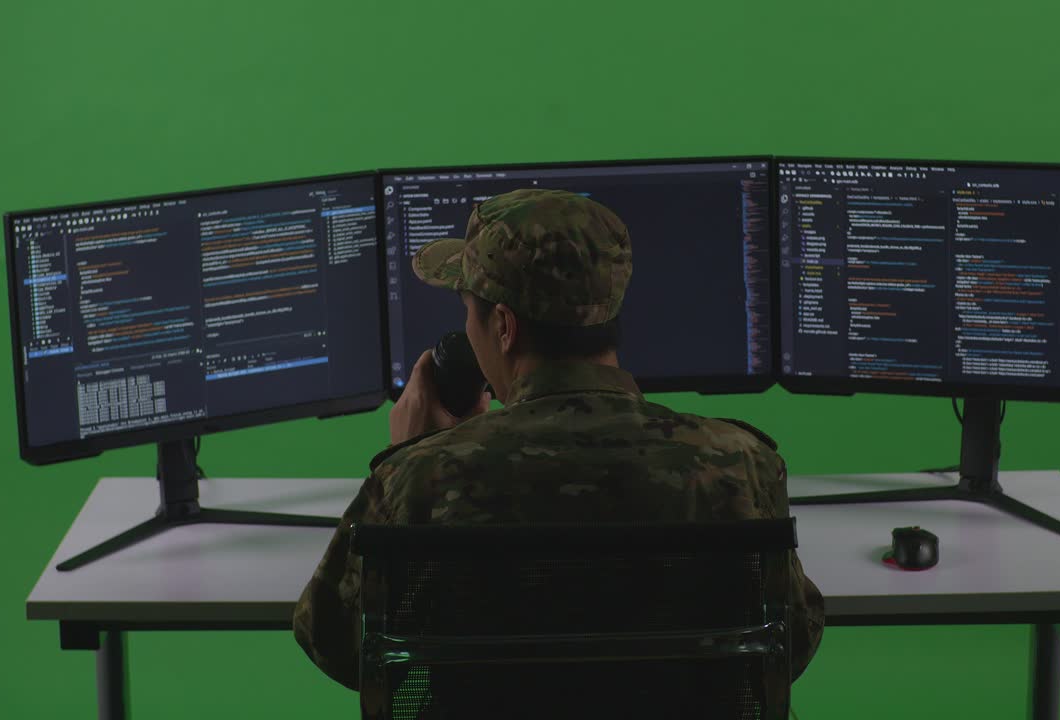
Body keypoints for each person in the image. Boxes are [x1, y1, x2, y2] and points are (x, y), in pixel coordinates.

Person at [293, 188, 823, 713]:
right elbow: (789, 643)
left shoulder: (425, 475)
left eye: (469, 316)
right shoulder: (741, 462)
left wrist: (417, 453)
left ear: (503, 327)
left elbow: (335, 642)